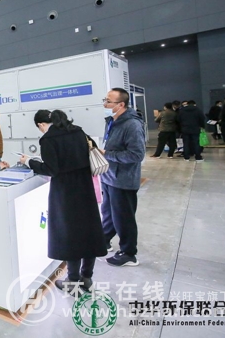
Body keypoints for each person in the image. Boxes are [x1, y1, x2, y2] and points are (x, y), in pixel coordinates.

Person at [20, 110, 107, 294]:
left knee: (71, 236)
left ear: (41, 125)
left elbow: (51, 169)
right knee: (88, 232)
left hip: (65, 193)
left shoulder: (48, 139)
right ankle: (87, 277)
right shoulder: (78, 131)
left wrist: (29, 162)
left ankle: (73, 280)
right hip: (86, 189)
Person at [100, 88, 145, 267]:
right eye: (104, 100)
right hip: (109, 176)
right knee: (108, 213)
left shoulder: (132, 125)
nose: (105, 104)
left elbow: (136, 155)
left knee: (123, 218)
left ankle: (128, 253)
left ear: (120, 105)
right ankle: (104, 240)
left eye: (108, 101)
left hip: (123, 180)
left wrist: (107, 154)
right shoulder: (112, 121)